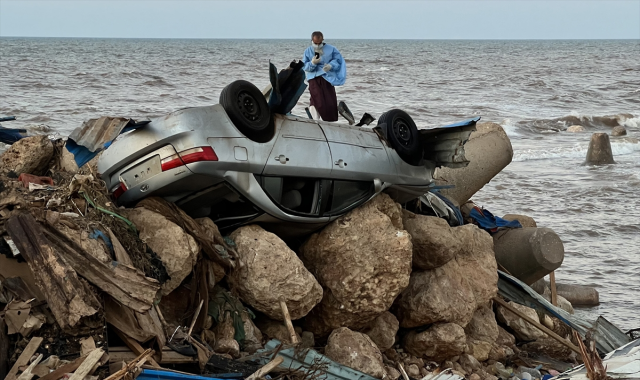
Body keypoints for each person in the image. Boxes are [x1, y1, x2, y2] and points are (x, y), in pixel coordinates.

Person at [302, 31, 347, 122]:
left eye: (319, 43)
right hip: (313, 78)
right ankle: (315, 120)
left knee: (330, 100)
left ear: (323, 40)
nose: (317, 45)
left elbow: (338, 61)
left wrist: (331, 65)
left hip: (327, 77)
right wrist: (312, 63)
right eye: (315, 43)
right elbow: (305, 67)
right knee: (316, 98)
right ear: (312, 40)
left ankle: (330, 121)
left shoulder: (332, 49)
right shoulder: (308, 51)